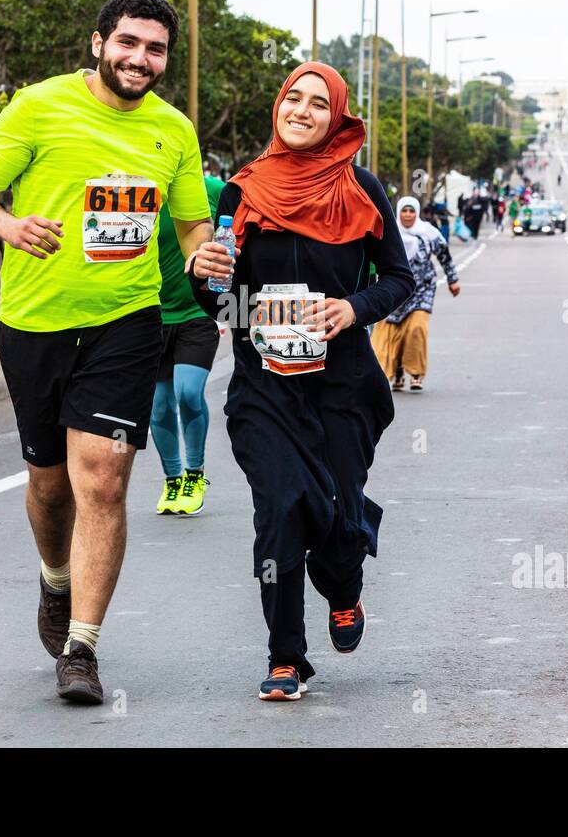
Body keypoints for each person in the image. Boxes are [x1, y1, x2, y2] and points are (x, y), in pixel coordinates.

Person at [0, 0, 214, 704]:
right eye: (128, 43)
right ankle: (55, 579)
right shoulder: (38, 106)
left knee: (102, 479)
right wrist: (8, 227)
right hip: (35, 324)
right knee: (48, 483)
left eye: (155, 48)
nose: (140, 59)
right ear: (98, 43)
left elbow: (192, 223)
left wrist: (203, 254)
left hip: (127, 323)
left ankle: (82, 649)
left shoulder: (174, 131)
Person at [187, 62, 413, 702]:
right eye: (294, 98)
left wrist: (352, 309)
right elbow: (219, 303)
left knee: (338, 518)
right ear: (278, 108)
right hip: (265, 389)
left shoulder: (363, 189)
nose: (304, 110)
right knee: (281, 510)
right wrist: (203, 277)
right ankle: (285, 655)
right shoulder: (241, 192)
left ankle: (344, 587)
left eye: (320, 103)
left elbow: (398, 280)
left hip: (343, 387)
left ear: (337, 117)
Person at [148, 164, 222, 516]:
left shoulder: (210, 188)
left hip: (196, 313)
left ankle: (195, 474)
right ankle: (173, 479)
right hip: (150, 314)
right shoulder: (141, 192)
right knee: (159, 405)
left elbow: (245, 218)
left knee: (188, 392)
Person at [371, 197, 461, 392]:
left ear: (417, 213)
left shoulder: (428, 233)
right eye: (404, 211)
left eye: (412, 211)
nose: (408, 215)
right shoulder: (388, 232)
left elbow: (444, 255)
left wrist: (453, 280)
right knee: (390, 333)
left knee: (416, 329)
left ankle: (417, 373)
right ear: (399, 212)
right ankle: (397, 372)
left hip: (423, 290)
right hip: (394, 291)